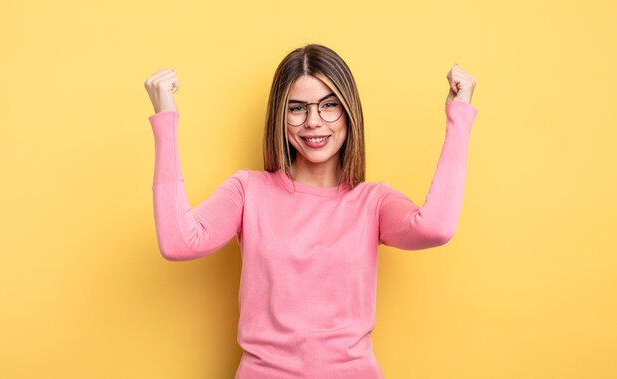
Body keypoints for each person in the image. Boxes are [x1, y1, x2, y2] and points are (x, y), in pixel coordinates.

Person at [143, 44, 479, 379]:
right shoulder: (249, 191)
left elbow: (435, 228)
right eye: (297, 108)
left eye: (329, 105)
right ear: (280, 116)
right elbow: (178, 242)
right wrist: (165, 121)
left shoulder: (372, 202)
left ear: (349, 112)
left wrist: (459, 119)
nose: (313, 122)